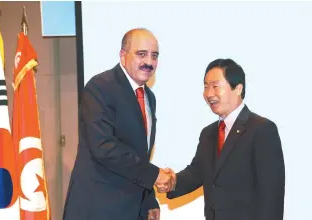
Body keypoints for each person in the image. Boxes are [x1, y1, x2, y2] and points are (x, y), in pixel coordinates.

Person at [63, 28, 173, 220]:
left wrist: (149, 200)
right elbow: (103, 147)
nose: (149, 62)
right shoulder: (100, 87)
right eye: (141, 54)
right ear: (123, 56)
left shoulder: (149, 97)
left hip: (132, 209)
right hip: (98, 209)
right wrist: (155, 175)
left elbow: (138, 153)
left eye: (154, 56)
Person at [164, 58, 285, 220]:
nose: (209, 94)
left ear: (238, 88)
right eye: (206, 87)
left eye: (215, 86)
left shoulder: (262, 129)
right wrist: (172, 181)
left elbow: (272, 195)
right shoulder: (208, 133)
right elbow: (196, 173)